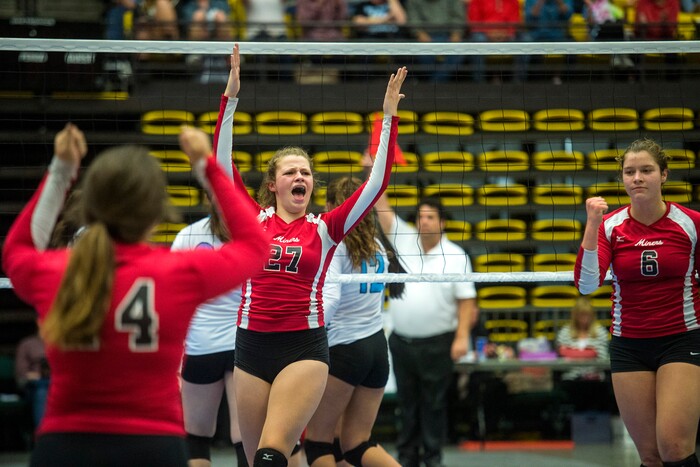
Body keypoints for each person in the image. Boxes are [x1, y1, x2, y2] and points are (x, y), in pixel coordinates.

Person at [1, 123, 270, 467]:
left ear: (90, 207)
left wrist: (61, 170)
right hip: (153, 446)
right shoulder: (178, 272)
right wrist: (206, 165)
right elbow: (256, 246)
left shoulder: (57, 272)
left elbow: (17, 249)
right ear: (157, 212)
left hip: (66, 444)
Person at [213, 44, 406, 467]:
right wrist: (231, 98)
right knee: (251, 460)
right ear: (273, 184)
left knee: (271, 453)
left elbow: (375, 184)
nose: (300, 177)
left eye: (306, 172)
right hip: (250, 345)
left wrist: (388, 117)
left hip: (304, 347)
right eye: (290, 172)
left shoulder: (325, 228)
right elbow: (220, 164)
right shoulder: (253, 220)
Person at [575, 138, 700, 467]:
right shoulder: (610, 226)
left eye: (646, 170)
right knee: (650, 455)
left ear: (664, 175)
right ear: (622, 179)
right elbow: (587, 285)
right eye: (629, 172)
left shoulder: (691, 223)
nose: (637, 178)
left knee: (674, 446)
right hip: (629, 344)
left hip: (681, 339)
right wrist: (591, 224)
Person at [303, 176, 404, 467]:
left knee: (318, 443)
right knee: (357, 444)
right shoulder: (377, 245)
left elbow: (331, 301)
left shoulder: (337, 246)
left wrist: (310, 327)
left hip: (345, 348)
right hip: (376, 349)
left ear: (335, 206)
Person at [372, 192, 478, 467]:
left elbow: (467, 301)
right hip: (401, 341)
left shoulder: (456, 256)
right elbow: (382, 209)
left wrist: (462, 337)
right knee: (407, 405)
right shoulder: (404, 239)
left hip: (438, 343)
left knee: (433, 405)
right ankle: (406, 459)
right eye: (420, 217)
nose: (424, 222)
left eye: (430, 217)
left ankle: (433, 459)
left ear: (442, 222)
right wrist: (373, 168)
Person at [171, 205, 246, 467]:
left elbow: (172, 289)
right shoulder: (252, 233)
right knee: (244, 436)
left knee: (196, 436)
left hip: (201, 345)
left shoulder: (187, 235)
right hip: (243, 345)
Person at [555, 296, 611, 412]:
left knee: (599, 389)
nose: (584, 318)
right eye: (581, 315)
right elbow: (561, 353)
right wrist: (589, 352)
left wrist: (572, 352)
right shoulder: (565, 331)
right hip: (570, 377)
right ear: (575, 315)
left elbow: (601, 356)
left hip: (595, 377)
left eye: (587, 315)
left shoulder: (600, 331)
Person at [468, 0, 532, 82]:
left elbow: (515, 20)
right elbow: (474, 20)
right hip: (484, 33)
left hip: (507, 34)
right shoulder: (477, 1)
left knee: (525, 40)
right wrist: (488, 32)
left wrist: (506, 32)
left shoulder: (512, 1)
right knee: (478, 39)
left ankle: (519, 82)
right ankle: (479, 82)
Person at [405, 0, 465, 82]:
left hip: (448, 37)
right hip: (425, 38)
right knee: (423, 55)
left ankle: (433, 84)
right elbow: (413, 20)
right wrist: (420, 34)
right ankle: (437, 84)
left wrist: (456, 33)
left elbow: (458, 18)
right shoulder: (413, 2)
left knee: (458, 53)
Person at [14, 327, 49, 430]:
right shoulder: (27, 344)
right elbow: (22, 374)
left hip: (58, 384)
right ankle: (43, 434)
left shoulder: (61, 343)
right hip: (34, 387)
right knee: (42, 389)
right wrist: (41, 375)